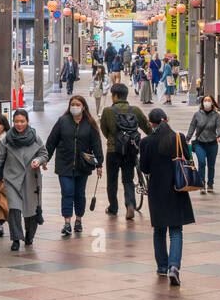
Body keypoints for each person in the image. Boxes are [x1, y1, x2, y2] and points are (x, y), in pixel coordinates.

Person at [139, 107, 195, 286]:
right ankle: (174, 267)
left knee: (159, 230)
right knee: (176, 231)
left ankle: (162, 267)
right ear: (167, 119)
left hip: (156, 191)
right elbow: (188, 159)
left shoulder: (146, 142)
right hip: (177, 189)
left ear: (151, 124)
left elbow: (144, 168)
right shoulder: (178, 138)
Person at [0, 108, 49, 251]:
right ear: (13, 122)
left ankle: (29, 235)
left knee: (31, 211)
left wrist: (38, 160)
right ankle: (16, 239)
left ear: (27, 122)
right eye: (17, 121)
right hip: (12, 179)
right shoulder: (7, 139)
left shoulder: (35, 137)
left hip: (31, 179)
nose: (19, 124)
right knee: (14, 209)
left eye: (22, 121)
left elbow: (44, 153)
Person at [45, 95, 104, 237]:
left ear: (83, 107)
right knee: (67, 192)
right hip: (64, 164)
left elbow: (96, 145)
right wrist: (45, 158)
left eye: (78, 104)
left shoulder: (90, 124)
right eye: (73, 104)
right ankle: (67, 222)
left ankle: (78, 220)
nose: (75, 107)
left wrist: (99, 164)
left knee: (79, 194)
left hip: (82, 165)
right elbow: (51, 141)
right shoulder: (62, 121)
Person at [100, 83, 152, 219]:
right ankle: (130, 204)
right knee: (128, 179)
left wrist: (113, 139)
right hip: (130, 149)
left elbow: (104, 130)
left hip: (113, 150)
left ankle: (113, 207)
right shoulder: (135, 110)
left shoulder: (107, 111)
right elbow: (147, 128)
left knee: (112, 180)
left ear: (115, 96)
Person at [186, 94, 220, 193]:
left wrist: (219, 135)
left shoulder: (216, 115)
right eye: (205, 100)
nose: (207, 102)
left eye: (209, 100)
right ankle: (201, 183)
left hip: (212, 144)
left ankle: (210, 183)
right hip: (199, 143)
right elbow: (192, 126)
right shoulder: (197, 114)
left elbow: (219, 126)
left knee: (211, 165)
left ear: (212, 103)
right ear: (202, 102)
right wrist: (187, 138)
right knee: (202, 162)